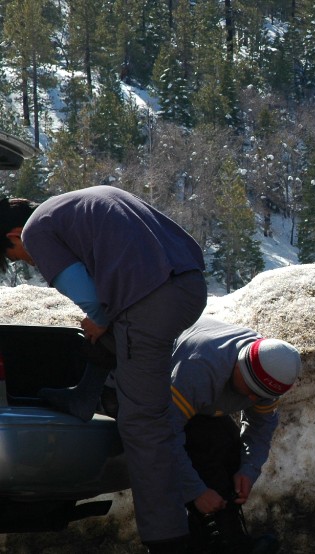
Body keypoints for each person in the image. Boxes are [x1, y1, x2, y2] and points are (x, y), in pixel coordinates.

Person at [0, 185, 208, 553]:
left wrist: (97, 320)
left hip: (149, 300)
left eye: (17, 257)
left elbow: (92, 301)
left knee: (143, 424)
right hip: (187, 284)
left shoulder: (36, 231)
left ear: (14, 236)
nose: (28, 263)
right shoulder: (78, 202)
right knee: (128, 369)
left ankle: (169, 541)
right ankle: (87, 396)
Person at [166, 316, 302, 554]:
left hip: (202, 405)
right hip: (152, 390)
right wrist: (195, 491)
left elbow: (260, 427)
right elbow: (164, 435)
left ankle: (228, 538)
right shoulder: (199, 370)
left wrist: (248, 469)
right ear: (239, 365)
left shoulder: (269, 369)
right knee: (202, 446)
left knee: (229, 444)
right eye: (250, 389)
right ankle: (199, 540)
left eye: (259, 395)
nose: (251, 399)